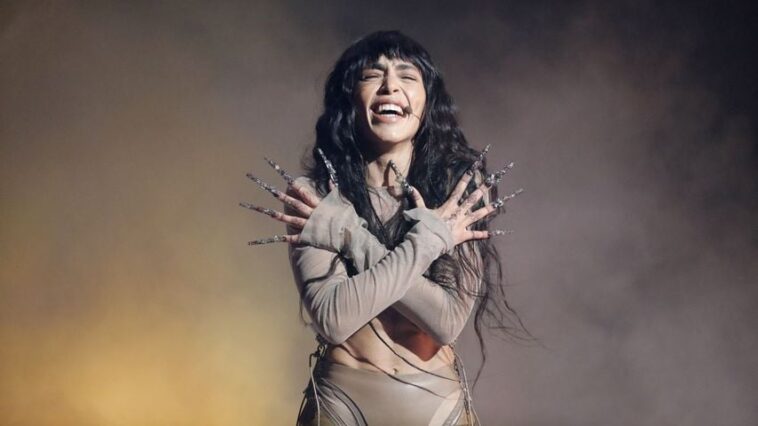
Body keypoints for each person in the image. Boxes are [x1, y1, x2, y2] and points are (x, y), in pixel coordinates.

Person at [243, 30, 527, 425]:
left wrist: (349, 235)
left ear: (428, 102)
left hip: (436, 403)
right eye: (372, 75)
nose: (390, 86)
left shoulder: (456, 192)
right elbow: (334, 319)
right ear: (350, 97)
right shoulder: (315, 195)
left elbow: (445, 321)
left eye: (407, 76)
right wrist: (427, 243)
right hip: (340, 401)